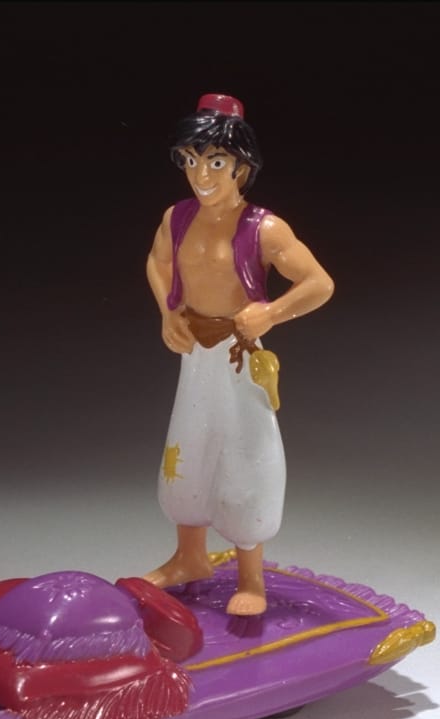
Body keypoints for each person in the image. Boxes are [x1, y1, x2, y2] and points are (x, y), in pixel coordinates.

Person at [143, 94, 335, 616]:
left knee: (247, 456)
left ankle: (251, 578)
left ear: (242, 167)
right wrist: (168, 312)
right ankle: (190, 556)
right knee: (187, 448)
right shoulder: (177, 218)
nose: (200, 174)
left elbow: (319, 284)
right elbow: (158, 263)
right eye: (190, 160)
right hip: (195, 354)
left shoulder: (263, 228)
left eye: (215, 162)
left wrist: (271, 313)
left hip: (239, 354)